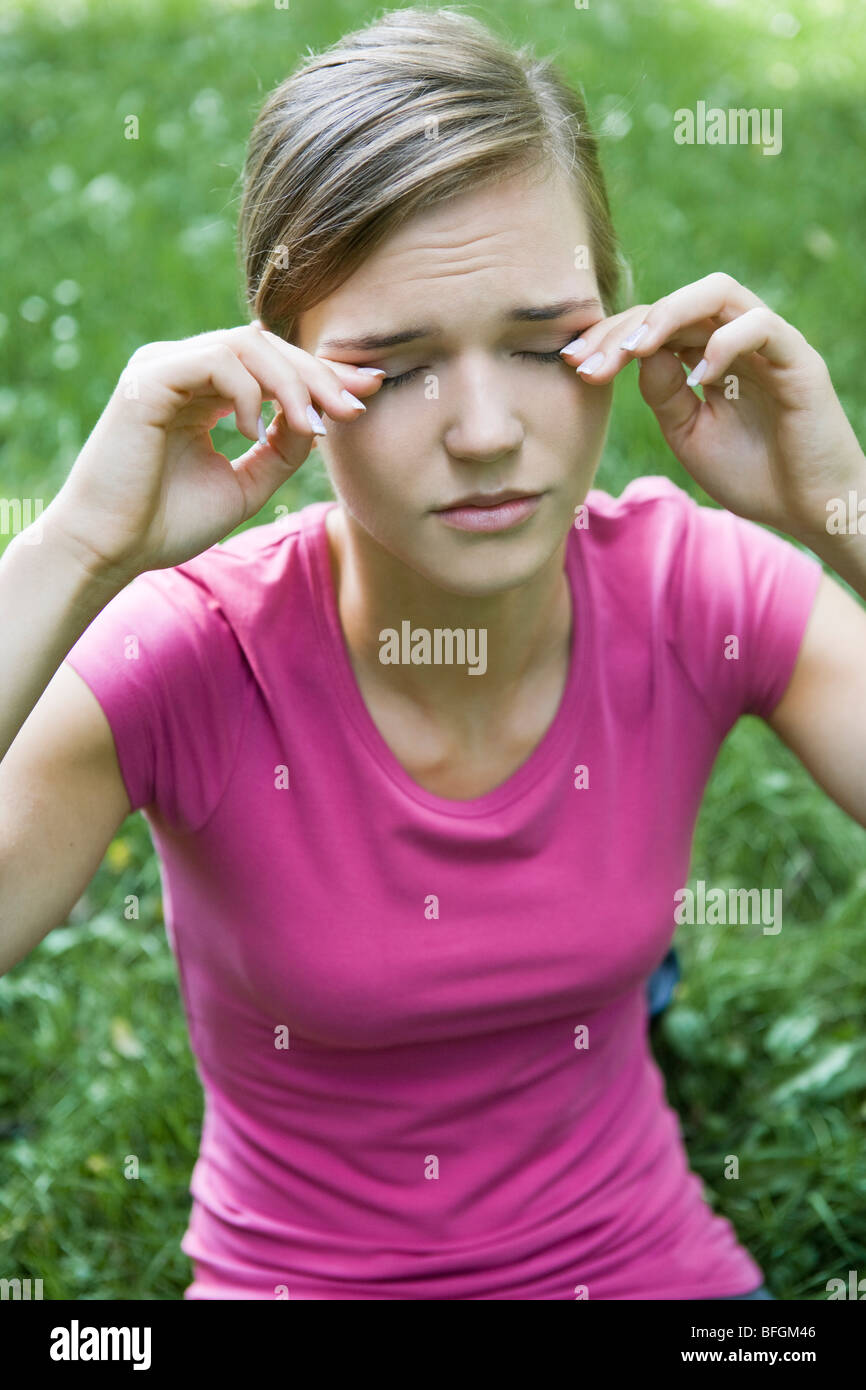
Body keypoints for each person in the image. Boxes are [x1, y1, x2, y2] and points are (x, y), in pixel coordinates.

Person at [3, 7, 865, 1301]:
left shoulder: (692, 590)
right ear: (276, 373)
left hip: (631, 1261)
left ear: (619, 330)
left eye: (536, 344)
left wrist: (836, 503)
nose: (481, 431)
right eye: (395, 366)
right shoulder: (194, 652)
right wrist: (74, 547)